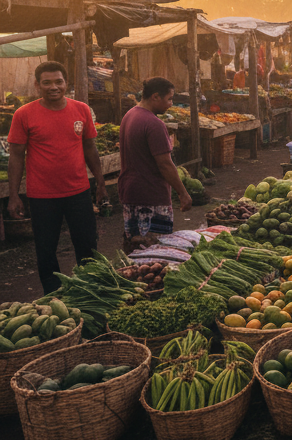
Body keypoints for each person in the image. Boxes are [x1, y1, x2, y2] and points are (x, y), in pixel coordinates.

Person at [7, 61, 109, 293]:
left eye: (58, 82)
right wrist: (14, 195)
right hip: (42, 196)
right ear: (37, 85)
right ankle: (53, 294)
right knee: (45, 249)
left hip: (79, 192)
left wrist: (100, 183)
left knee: (87, 246)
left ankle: (89, 290)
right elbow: (16, 156)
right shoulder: (24, 114)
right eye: (47, 83)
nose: (53, 87)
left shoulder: (81, 110)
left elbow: (90, 148)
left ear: (66, 83)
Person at [119, 77, 193, 247]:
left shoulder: (130, 115)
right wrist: (182, 193)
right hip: (150, 196)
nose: (171, 104)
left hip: (131, 192)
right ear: (155, 97)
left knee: (135, 249)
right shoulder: (154, 124)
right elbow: (165, 164)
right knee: (155, 251)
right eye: (169, 99)